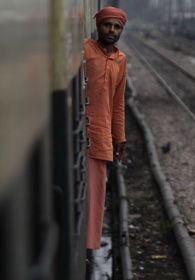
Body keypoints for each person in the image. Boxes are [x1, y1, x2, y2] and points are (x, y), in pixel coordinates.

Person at [85, 6, 128, 250]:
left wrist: (119, 137)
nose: (111, 30)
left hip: (100, 136)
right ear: (99, 26)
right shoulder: (85, 49)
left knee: (96, 194)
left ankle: (89, 249)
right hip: (80, 130)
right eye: (107, 25)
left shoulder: (121, 60)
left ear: (121, 30)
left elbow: (118, 101)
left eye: (116, 26)